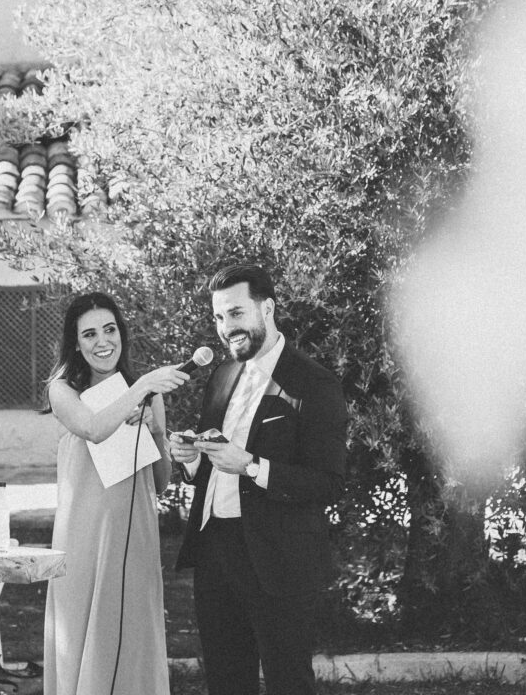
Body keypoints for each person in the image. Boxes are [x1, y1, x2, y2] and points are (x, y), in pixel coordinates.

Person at [167, 262, 348, 695]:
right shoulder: (222, 375)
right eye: (219, 317)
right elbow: (212, 465)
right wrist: (190, 461)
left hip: (279, 559)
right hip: (215, 553)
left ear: (267, 308)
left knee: (289, 682)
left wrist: (251, 465)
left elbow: (328, 482)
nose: (226, 327)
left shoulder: (314, 383)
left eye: (236, 313)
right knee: (226, 683)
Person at [43, 291, 189, 695]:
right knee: (83, 635)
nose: (102, 341)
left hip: (135, 536)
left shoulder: (148, 395)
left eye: (110, 330)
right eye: (89, 334)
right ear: (76, 343)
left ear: (121, 334)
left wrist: (156, 431)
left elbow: (160, 481)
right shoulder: (63, 390)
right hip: (83, 538)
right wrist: (140, 388)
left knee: (132, 636)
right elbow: (93, 428)